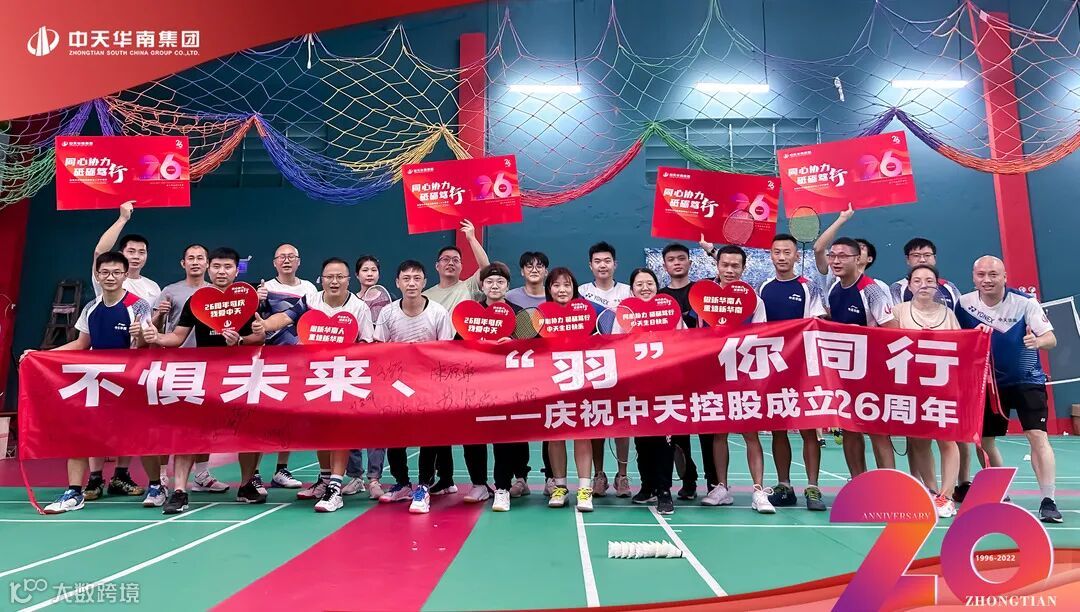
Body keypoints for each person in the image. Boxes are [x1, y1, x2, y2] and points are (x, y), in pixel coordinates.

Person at [140, 247, 267, 515]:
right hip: (203, 374)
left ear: (236, 270)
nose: (222, 272)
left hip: (239, 375)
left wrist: (241, 340)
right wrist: (157, 338)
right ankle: (180, 491)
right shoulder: (197, 301)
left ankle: (246, 485)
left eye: (227, 267)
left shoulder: (247, 299)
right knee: (189, 432)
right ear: (209, 268)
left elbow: (259, 336)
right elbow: (178, 336)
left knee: (248, 431)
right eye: (217, 266)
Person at [25, 253, 153, 513]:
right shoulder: (90, 308)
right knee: (80, 434)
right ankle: (74, 492)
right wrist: (41, 355)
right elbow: (81, 344)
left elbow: (145, 346)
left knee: (142, 435)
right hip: (97, 382)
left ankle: (155, 486)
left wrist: (140, 336)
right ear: (97, 274)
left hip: (130, 383)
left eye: (116, 272)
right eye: (105, 272)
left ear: (125, 275)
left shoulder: (138, 305)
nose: (110, 277)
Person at [253, 257, 375, 513]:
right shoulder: (310, 300)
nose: (334, 281)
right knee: (321, 429)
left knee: (339, 430)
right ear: (322, 279)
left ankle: (335, 487)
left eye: (340, 277)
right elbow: (285, 317)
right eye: (329, 276)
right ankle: (325, 479)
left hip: (345, 377)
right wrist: (264, 325)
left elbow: (367, 343)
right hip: (316, 376)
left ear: (348, 280)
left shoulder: (359, 307)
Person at [956, 256, 1062, 523]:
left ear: (1004, 277)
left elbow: (1051, 339)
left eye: (993, 274)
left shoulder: (1025, 302)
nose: (987, 280)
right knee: (984, 440)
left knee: (1037, 435)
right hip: (987, 383)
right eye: (981, 274)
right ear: (973, 277)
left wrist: (1037, 341)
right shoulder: (964, 304)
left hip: (1027, 379)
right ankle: (1000, 491)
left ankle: (1048, 500)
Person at [87, 202, 162, 500]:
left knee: (130, 424)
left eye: (141, 252)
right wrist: (122, 218)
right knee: (95, 424)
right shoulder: (108, 276)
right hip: (99, 367)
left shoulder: (151, 289)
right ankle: (94, 479)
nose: (136, 256)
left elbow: (150, 329)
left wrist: (148, 331)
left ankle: (121, 475)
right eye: (131, 251)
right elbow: (99, 252)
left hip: (134, 367)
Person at [889, 238, 967, 502]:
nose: (924, 285)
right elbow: (886, 345)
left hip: (944, 389)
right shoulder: (898, 312)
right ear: (909, 285)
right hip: (911, 389)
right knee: (920, 441)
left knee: (948, 441)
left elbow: (962, 348)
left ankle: (947, 494)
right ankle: (932, 491)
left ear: (937, 285)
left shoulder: (949, 314)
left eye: (929, 281)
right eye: (918, 281)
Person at [374, 260, 455, 514]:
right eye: (406, 278)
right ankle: (402, 483)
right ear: (397, 282)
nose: (411, 283)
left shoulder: (438, 312)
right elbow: (378, 349)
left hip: (429, 386)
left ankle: (423, 486)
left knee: (428, 436)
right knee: (395, 436)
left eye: (417, 278)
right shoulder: (387, 313)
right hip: (396, 386)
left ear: (424, 282)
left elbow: (446, 353)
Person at [150, 244, 228, 494]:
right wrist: (158, 320)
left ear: (207, 264)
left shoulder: (217, 293)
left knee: (204, 424)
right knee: (171, 424)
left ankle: (202, 474)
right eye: (190, 258)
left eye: (200, 258)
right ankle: (162, 475)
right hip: (177, 365)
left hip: (209, 367)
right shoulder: (170, 291)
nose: (195, 262)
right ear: (183, 263)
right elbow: (159, 329)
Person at [700, 246, 772, 513]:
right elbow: (698, 336)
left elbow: (761, 336)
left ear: (743, 268)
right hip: (715, 376)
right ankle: (721, 488)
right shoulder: (704, 298)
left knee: (750, 433)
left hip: (744, 374)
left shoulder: (755, 300)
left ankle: (758, 491)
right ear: (717, 265)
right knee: (719, 433)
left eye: (735, 266)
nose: (729, 270)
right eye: (725, 265)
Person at [759, 234, 828, 512]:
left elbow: (818, 322)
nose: (782, 257)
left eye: (787, 252)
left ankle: (813, 487)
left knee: (809, 429)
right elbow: (760, 328)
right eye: (777, 252)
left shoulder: (808, 286)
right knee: (779, 429)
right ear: (771, 255)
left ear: (797, 256)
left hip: (804, 368)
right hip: (774, 368)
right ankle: (784, 486)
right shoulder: (764, 287)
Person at [423, 220, 491, 496]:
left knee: (470, 426)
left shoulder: (469, 288)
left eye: (455, 260)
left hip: (466, 367)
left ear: (462, 267)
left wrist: (472, 238)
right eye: (445, 260)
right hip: (435, 369)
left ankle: (479, 482)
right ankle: (445, 479)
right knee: (439, 427)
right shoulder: (426, 296)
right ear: (437, 266)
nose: (450, 263)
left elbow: (486, 269)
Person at [824, 237, 899, 478]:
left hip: (873, 371)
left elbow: (893, 331)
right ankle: (859, 481)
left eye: (843, 256)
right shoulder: (834, 289)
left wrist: (862, 336)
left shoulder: (871, 290)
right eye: (832, 255)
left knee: (877, 431)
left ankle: (889, 484)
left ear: (858, 259)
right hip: (845, 372)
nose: (836, 261)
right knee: (849, 428)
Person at [615, 268, 681, 515]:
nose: (645, 288)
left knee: (664, 441)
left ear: (657, 285)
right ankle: (647, 486)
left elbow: (686, 342)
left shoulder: (670, 311)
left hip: (666, 387)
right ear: (632, 289)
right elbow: (614, 346)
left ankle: (664, 490)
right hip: (637, 386)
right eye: (639, 284)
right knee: (642, 439)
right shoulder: (624, 314)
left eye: (649, 283)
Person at [473, 262, 533, 512]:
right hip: (478, 388)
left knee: (505, 437)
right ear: (482, 286)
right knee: (474, 436)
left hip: (510, 389)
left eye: (500, 282)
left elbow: (533, 347)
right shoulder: (471, 314)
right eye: (489, 281)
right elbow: (456, 346)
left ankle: (502, 488)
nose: (494, 286)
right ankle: (478, 483)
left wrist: (513, 342)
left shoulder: (520, 315)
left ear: (508, 286)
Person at [257, 243, 318, 489]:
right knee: (262, 418)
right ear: (274, 262)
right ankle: (254, 472)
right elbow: (256, 322)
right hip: (269, 361)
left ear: (299, 261)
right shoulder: (265, 289)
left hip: (298, 361)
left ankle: (281, 469)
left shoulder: (309, 289)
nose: (286, 260)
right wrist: (258, 301)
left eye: (291, 256)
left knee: (289, 416)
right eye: (281, 257)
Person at [659, 242, 716, 501]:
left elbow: (729, 278)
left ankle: (714, 483)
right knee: (678, 433)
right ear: (665, 265)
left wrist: (711, 251)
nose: (677, 263)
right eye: (672, 259)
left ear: (690, 263)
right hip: (673, 375)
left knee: (707, 430)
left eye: (681, 258)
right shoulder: (660, 297)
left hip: (703, 371)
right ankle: (688, 481)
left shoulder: (702, 291)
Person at [578, 241, 633, 498]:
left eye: (607, 261)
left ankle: (622, 475)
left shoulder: (628, 292)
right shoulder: (581, 292)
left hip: (624, 367)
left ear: (615, 264)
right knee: (596, 422)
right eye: (597, 261)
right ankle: (598, 475)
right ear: (590, 265)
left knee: (622, 423)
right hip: (592, 368)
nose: (603, 265)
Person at [543, 267, 598, 512]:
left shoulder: (588, 314)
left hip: (581, 381)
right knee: (556, 435)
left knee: (582, 434)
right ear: (549, 289)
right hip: (551, 384)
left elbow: (600, 343)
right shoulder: (540, 316)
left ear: (574, 288)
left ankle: (585, 489)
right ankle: (560, 487)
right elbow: (527, 346)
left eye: (567, 284)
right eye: (556, 285)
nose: (562, 289)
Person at [890, 238, 962, 309]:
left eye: (927, 255)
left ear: (934, 258)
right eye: (916, 255)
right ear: (907, 259)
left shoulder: (949, 286)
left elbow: (958, 314)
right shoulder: (897, 288)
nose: (922, 260)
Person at [355, 255, 391, 321]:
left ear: (379, 274)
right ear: (357, 275)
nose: (370, 274)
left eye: (374, 270)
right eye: (365, 270)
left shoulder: (389, 298)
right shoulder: (352, 300)